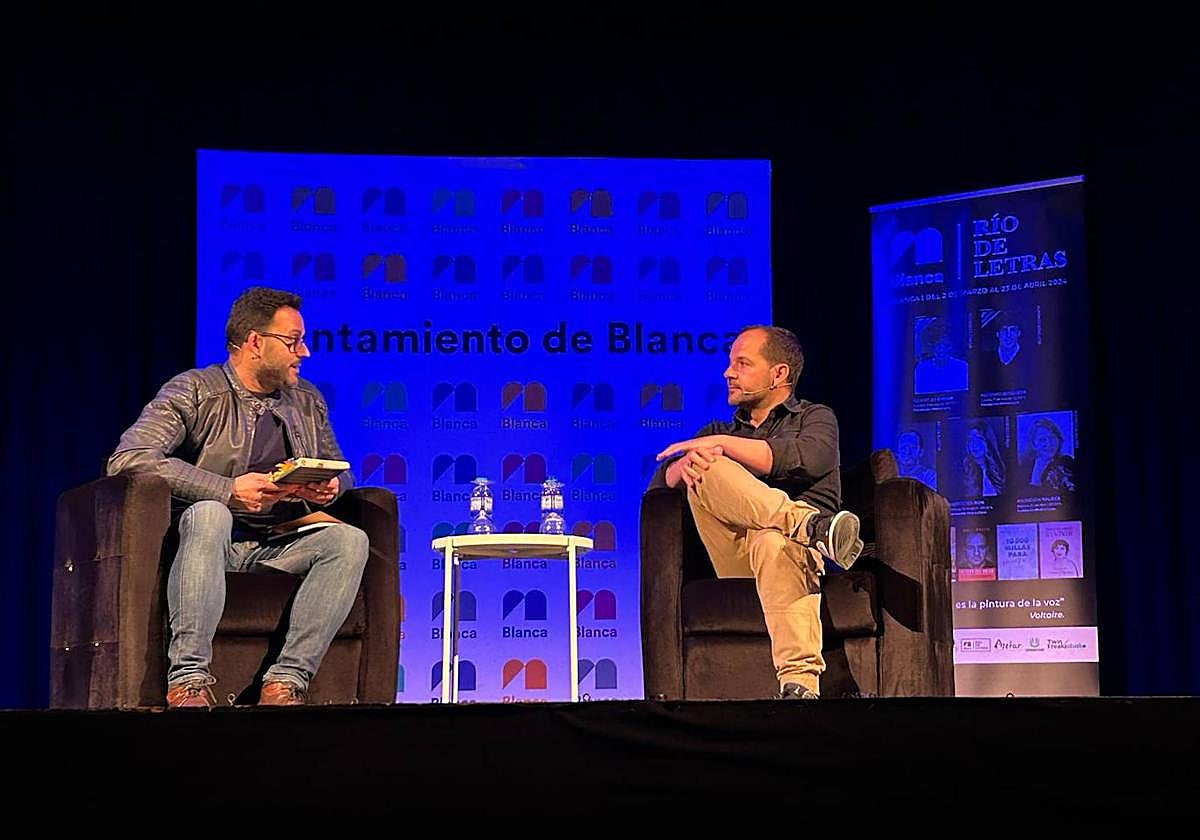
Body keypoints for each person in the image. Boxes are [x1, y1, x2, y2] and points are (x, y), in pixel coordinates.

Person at [107, 287, 367, 708]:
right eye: (293, 341)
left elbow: (340, 467)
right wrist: (227, 491)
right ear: (254, 342)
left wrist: (332, 485)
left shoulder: (307, 400)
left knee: (348, 540)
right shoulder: (195, 390)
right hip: (207, 543)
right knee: (211, 513)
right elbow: (130, 458)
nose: (304, 352)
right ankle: (188, 679)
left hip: (277, 542)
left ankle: (286, 681)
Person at [648, 325, 863, 700]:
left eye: (742, 364)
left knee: (771, 542)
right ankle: (811, 525)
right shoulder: (716, 431)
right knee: (708, 465)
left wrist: (720, 444)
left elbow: (808, 459)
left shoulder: (814, 418)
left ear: (779, 374)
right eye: (730, 363)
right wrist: (686, 464)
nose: (728, 373)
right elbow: (657, 489)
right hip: (735, 554)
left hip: (792, 556)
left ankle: (799, 688)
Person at [1021, 417, 1076, 492]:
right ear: (1033, 444)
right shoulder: (1025, 468)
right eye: (1042, 440)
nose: (1049, 444)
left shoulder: (1067, 461)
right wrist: (1036, 476)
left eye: (1052, 438)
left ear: (1058, 439)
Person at [913, 318, 968, 394]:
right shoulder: (921, 368)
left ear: (951, 348)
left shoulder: (962, 366)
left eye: (946, 346)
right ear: (932, 347)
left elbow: (964, 393)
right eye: (937, 346)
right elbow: (918, 393)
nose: (941, 350)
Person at [962, 420, 1005, 497]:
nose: (974, 445)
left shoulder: (998, 470)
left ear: (987, 442)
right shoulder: (964, 471)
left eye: (979, 439)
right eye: (971, 440)